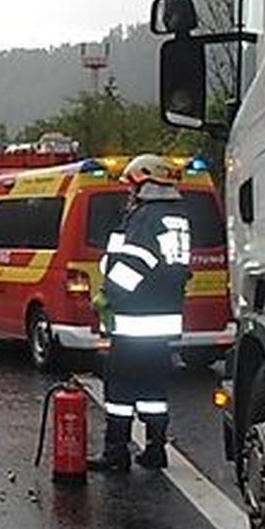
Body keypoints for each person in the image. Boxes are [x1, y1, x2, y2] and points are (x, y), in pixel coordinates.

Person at [88, 155, 192, 472]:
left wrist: (108, 296)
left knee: (120, 392)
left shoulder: (147, 218)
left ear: (144, 184)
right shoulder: (176, 216)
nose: (128, 193)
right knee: (153, 391)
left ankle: (116, 452)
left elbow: (133, 264)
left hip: (135, 318)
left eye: (131, 187)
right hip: (161, 320)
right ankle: (155, 449)